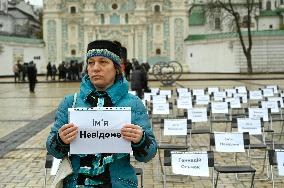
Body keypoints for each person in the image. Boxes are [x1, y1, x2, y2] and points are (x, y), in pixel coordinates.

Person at [46, 40, 157, 187]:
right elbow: (53, 149)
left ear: (117, 68)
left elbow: (148, 155)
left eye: (103, 62)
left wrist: (141, 139)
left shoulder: (133, 104)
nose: (95, 68)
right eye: (91, 63)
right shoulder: (70, 102)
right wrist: (60, 139)